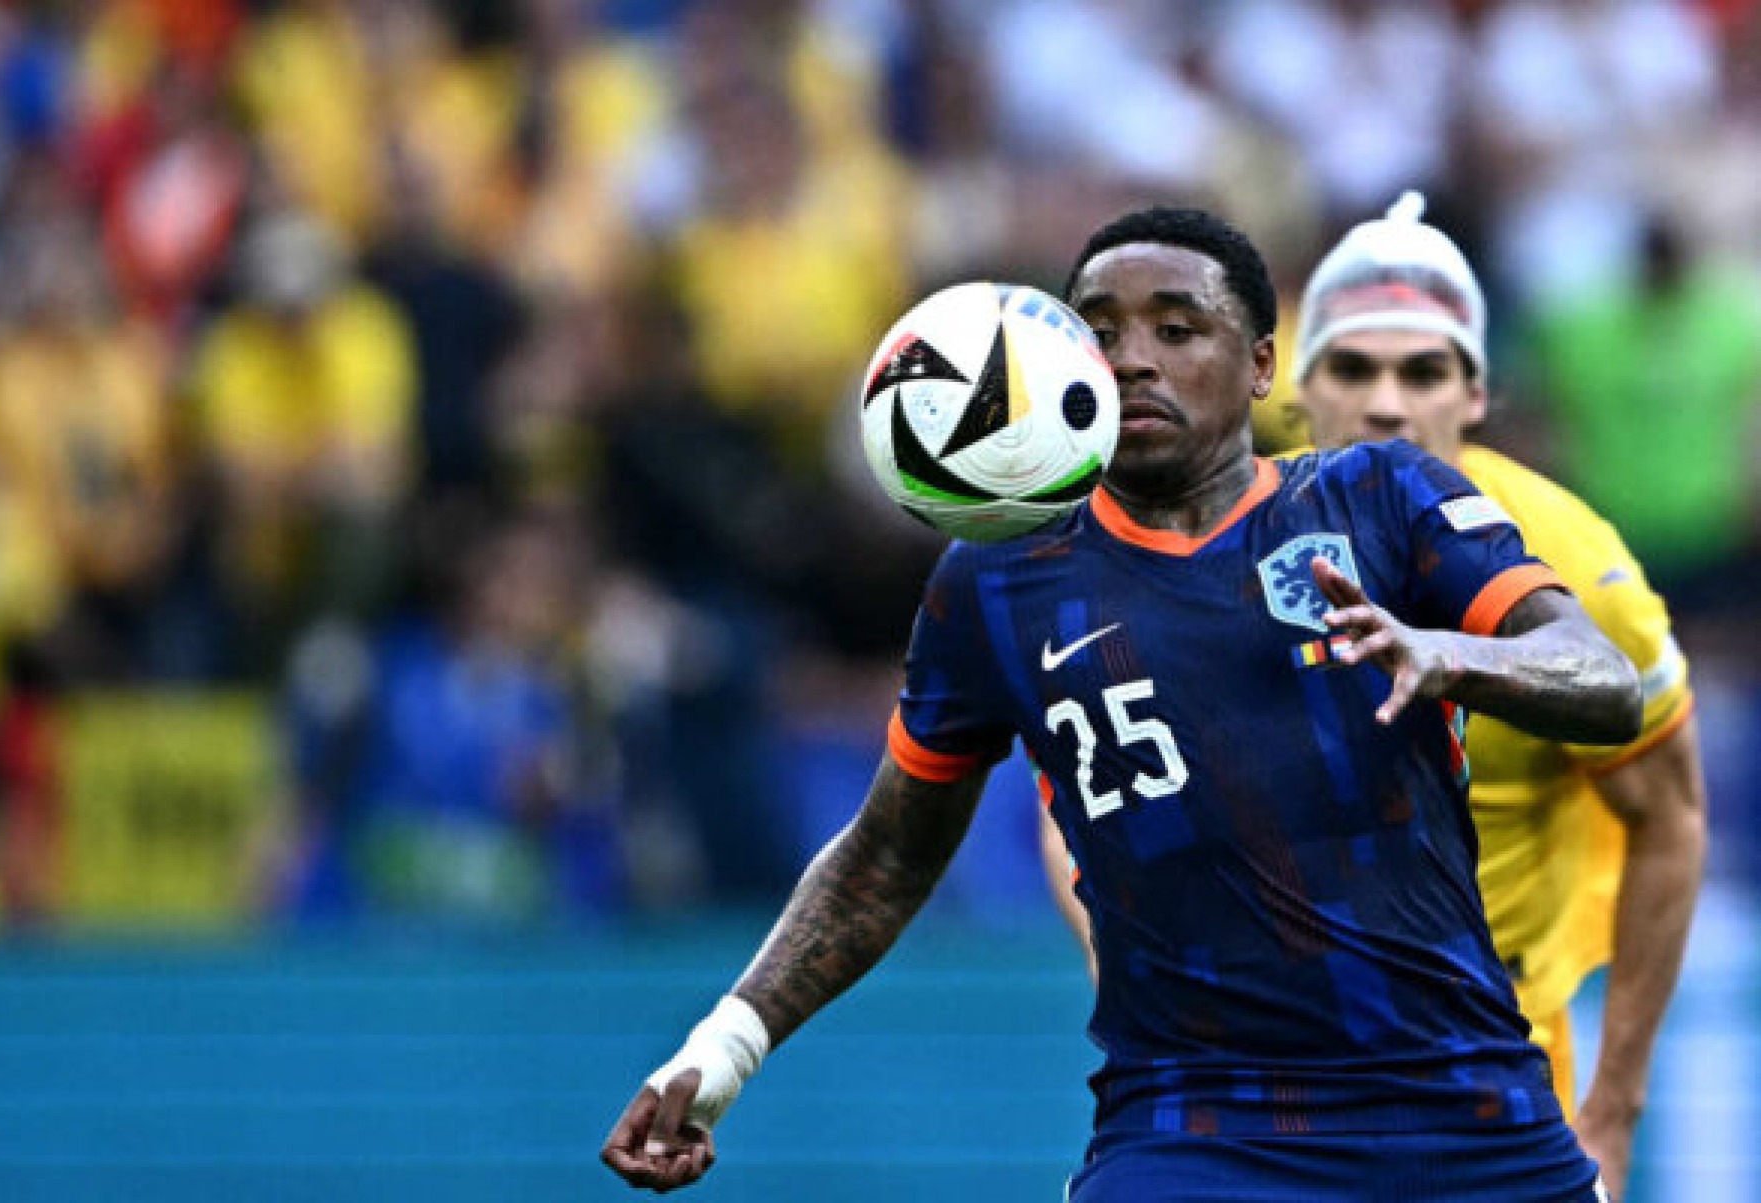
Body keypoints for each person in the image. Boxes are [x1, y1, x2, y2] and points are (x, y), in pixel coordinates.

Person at [603, 205, 1642, 1199]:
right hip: (1195, 1128)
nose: (1134, 356)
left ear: (1264, 365)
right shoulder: (998, 584)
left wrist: (1455, 657)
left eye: (1179, 328)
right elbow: (885, 858)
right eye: (1099, 333)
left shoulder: (1380, 498)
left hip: (1465, 1112)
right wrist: (722, 1052)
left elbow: (1603, 683)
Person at [1040, 192, 1707, 1200]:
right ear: (1294, 387)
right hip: (1259, 1087)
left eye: (1424, 369)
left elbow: (1673, 818)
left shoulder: (1573, 567)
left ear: (1476, 392)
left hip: (1490, 1077)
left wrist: (1612, 1113)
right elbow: (1082, 797)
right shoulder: (1202, 546)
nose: (1388, 401)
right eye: (1355, 367)